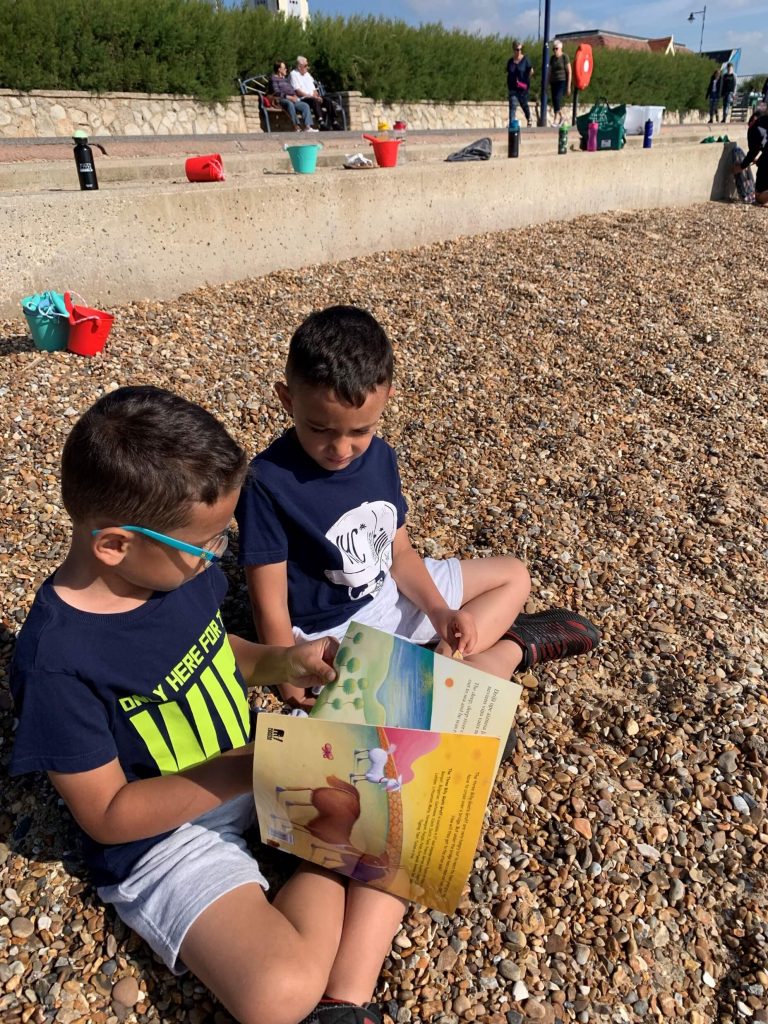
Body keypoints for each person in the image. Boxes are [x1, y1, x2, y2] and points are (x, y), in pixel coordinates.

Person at [8, 385, 405, 1024]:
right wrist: (254, 767)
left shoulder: (171, 574)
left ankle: (332, 911)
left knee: (407, 812)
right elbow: (108, 816)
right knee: (277, 994)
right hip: (164, 832)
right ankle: (323, 868)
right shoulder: (57, 662)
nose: (217, 559)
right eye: (207, 546)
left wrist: (281, 662)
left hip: (252, 765)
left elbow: (217, 650)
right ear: (115, 544)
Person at [236, 305, 599, 709]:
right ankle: (511, 649)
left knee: (513, 575)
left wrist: (441, 613)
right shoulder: (266, 482)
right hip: (332, 633)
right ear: (287, 399)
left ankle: (448, 674)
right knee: (399, 706)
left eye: (360, 430)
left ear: (387, 399)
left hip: (391, 595)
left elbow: (400, 554)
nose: (340, 449)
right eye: (319, 429)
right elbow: (267, 602)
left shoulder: (379, 458)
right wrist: (288, 678)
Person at [733, 103, 768, 206]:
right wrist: (761, 160)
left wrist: (742, 166)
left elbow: (754, 151)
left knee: (759, 196)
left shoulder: (754, 126)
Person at [290, 56, 336, 131]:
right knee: (314, 101)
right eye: (305, 65)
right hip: (303, 99)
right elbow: (298, 92)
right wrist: (312, 97)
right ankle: (321, 122)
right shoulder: (293, 74)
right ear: (299, 66)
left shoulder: (307, 75)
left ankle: (334, 122)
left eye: (307, 65)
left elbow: (314, 90)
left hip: (313, 97)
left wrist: (316, 96)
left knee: (327, 100)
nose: (307, 67)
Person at [270, 60, 318, 133]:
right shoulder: (274, 79)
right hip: (281, 99)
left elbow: (291, 90)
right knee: (290, 104)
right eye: (285, 68)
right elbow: (276, 93)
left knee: (305, 105)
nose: (286, 69)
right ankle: (296, 126)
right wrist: (289, 97)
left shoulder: (285, 80)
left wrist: (294, 96)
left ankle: (308, 127)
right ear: (279, 69)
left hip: (292, 99)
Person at [507, 41, 534, 128]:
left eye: (520, 49)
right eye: (517, 50)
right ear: (513, 50)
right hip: (513, 87)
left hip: (523, 87)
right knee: (513, 104)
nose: (519, 51)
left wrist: (526, 80)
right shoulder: (510, 61)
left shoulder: (525, 60)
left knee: (524, 104)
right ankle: (511, 123)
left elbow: (531, 71)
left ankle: (529, 117)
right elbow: (509, 72)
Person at [547, 40, 571, 126]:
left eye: (556, 49)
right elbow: (549, 71)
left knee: (557, 98)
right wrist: (547, 81)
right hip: (554, 81)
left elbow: (569, 71)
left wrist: (568, 86)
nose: (555, 51)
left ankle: (561, 116)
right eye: (553, 49)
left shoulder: (565, 57)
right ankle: (556, 120)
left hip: (562, 81)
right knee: (554, 101)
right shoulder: (552, 58)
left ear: (561, 48)